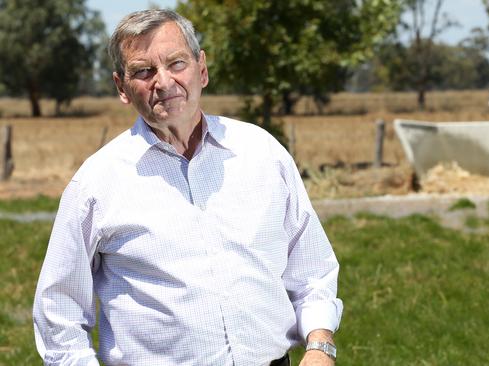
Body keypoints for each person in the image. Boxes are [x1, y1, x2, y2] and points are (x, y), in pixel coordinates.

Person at [33, 9, 342, 366]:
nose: (163, 82)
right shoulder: (95, 184)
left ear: (202, 69)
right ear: (122, 87)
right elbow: (59, 312)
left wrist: (320, 346)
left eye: (176, 64)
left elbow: (312, 269)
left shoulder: (262, 153)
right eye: (144, 71)